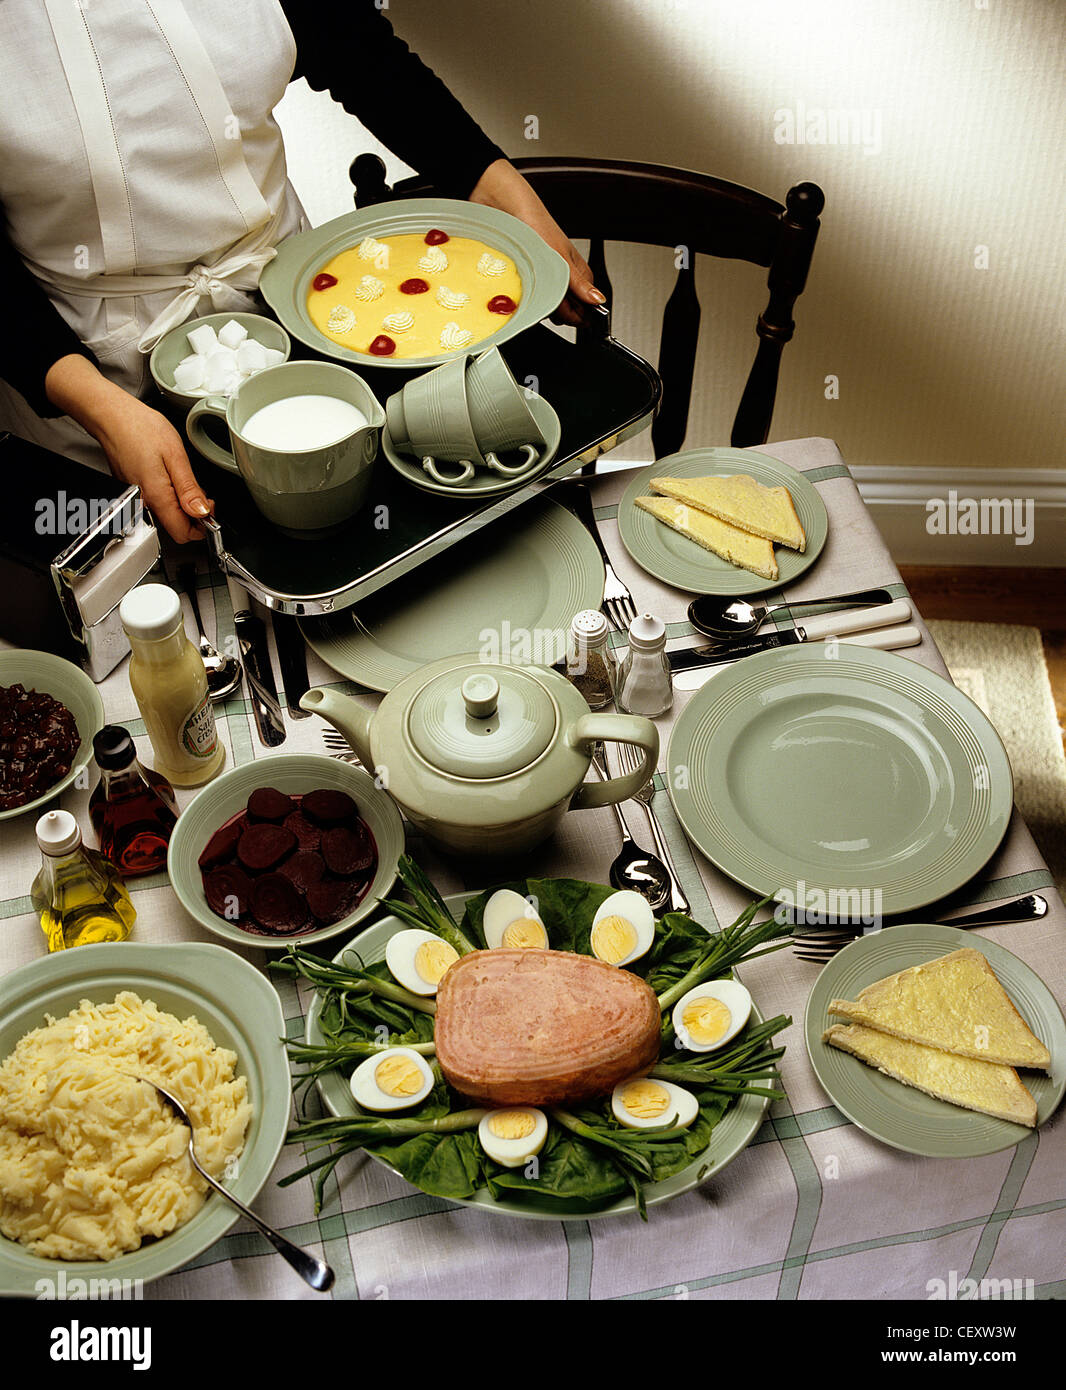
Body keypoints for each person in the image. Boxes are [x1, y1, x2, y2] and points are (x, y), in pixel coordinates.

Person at [0, 1, 601, 543]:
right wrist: (104, 410)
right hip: (81, 376)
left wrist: (504, 192)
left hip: (290, 313)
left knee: (336, 541)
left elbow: (361, 52)